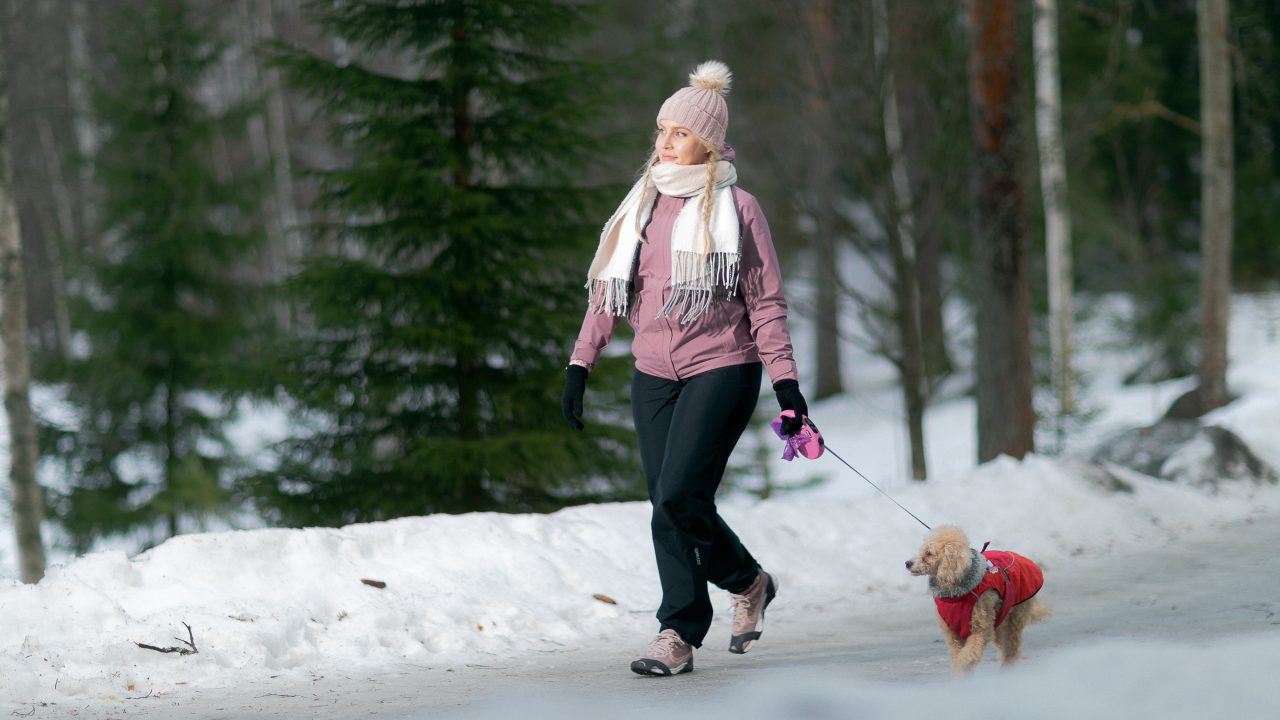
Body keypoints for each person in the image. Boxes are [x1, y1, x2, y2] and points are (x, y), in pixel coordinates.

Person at [561, 60, 808, 676]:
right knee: (666, 502)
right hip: (653, 373)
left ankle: (707, 607)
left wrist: (787, 387)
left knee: (677, 494)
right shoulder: (641, 205)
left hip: (723, 365)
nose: (663, 141)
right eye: (660, 130)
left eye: (676, 131)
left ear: (707, 141)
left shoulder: (738, 208)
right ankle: (714, 606)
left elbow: (766, 301)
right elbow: (608, 291)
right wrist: (580, 362)